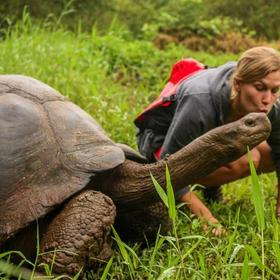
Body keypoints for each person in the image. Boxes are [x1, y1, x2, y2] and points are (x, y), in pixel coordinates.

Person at [135, 46, 280, 235]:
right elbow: (168, 169)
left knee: (267, 154)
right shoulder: (199, 100)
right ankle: (190, 194)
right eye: (259, 88)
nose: (267, 99)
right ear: (237, 84)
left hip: (208, 139)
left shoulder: (272, 105)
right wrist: (207, 218)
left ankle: (210, 187)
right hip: (161, 147)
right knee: (250, 158)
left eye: (275, 89)